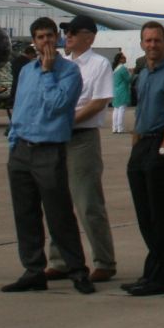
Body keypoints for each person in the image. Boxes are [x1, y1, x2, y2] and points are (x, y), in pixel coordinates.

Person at [1, 19, 92, 294]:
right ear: (34, 41)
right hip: (21, 149)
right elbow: (21, 107)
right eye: (40, 37)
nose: (46, 42)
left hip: (49, 150)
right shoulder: (27, 71)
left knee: (59, 214)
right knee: (25, 214)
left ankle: (77, 270)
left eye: (50, 36)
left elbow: (56, 106)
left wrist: (49, 72)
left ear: (59, 38)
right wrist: (14, 141)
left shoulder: (69, 72)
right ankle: (33, 269)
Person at [47, 14, 116, 283]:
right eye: (67, 32)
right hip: (57, 137)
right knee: (57, 201)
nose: (69, 37)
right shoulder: (62, 64)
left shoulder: (98, 64)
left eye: (74, 32)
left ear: (90, 36)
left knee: (88, 202)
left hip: (82, 138)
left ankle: (104, 260)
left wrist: (67, 121)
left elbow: (99, 102)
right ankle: (60, 259)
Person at [123, 22, 164, 296]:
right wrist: (136, 147)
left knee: (161, 214)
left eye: (157, 41)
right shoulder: (144, 75)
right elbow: (140, 115)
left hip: (162, 145)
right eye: (148, 41)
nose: (152, 45)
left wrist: (163, 151)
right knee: (144, 214)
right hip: (142, 145)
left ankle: (161, 278)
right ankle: (151, 271)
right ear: (142, 44)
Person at [110, 53, 132, 134]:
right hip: (122, 90)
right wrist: (131, 73)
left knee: (116, 109)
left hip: (115, 90)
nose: (125, 59)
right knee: (122, 109)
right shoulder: (122, 68)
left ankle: (114, 128)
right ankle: (120, 128)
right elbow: (129, 79)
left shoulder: (115, 69)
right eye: (124, 58)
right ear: (120, 59)